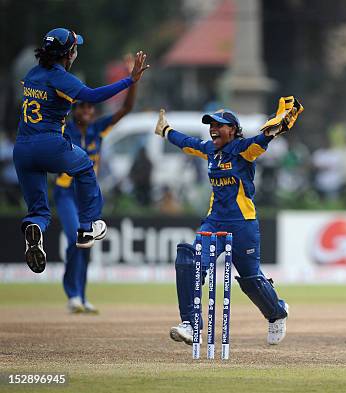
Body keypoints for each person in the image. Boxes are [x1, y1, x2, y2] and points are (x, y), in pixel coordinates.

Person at [155, 96, 303, 345]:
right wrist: (166, 130)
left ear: (233, 130)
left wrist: (274, 130)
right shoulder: (210, 150)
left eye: (219, 125)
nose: (213, 129)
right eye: (211, 124)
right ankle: (190, 324)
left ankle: (277, 313)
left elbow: (262, 140)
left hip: (243, 223)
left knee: (251, 281)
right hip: (214, 222)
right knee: (190, 262)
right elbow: (187, 143)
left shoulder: (244, 149)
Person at [13, 28, 149, 274]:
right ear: (69, 54)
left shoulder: (33, 74)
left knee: (38, 210)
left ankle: (34, 228)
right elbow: (93, 96)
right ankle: (86, 227)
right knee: (85, 166)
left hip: (22, 148)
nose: (76, 53)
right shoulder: (60, 77)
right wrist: (130, 80)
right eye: (75, 48)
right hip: (49, 144)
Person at [53, 55, 140, 313]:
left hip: (87, 195)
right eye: (82, 107)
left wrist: (133, 80)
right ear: (74, 109)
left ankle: (81, 295)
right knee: (73, 241)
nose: (87, 111)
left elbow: (125, 110)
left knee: (86, 245)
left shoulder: (97, 129)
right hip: (66, 192)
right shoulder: (64, 129)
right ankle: (72, 295)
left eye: (90, 108)